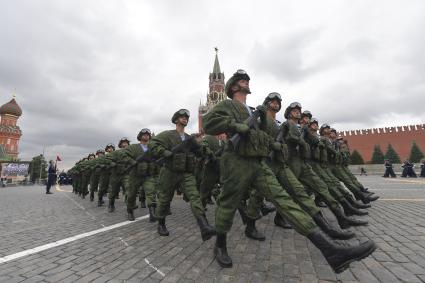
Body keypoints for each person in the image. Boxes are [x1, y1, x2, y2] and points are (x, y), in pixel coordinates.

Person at [203, 69, 376, 273]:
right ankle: (220, 244)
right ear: (233, 86)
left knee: (285, 200)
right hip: (236, 162)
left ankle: (331, 250)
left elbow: (270, 134)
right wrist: (233, 124)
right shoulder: (227, 104)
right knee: (228, 204)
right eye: (242, 81)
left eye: (247, 80)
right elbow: (208, 124)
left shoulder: (253, 111)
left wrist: (281, 139)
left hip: (259, 164)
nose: (247, 83)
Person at [149, 109, 216, 241]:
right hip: (170, 172)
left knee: (195, 197)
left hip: (186, 173)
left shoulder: (188, 138)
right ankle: (161, 224)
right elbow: (153, 144)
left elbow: (199, 151)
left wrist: (202, 146)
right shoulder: (168, 135)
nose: (185, 118)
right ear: (176, 120)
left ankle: (204, 226)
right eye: (182, 117)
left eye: (186, 117)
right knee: (164, 199)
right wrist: (163, 152)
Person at [124, 128, 160, 222]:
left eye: (148, 134)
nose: (146, 135)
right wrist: (132, 162)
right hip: (135, 175)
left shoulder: (152, 147)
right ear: (140, 136)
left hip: (149, 175)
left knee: (151, 192)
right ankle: (130, 211)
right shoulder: (133, 147)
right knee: (131, 194)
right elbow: (125, 156)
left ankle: (152, 213)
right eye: (144, 134)